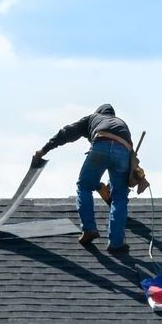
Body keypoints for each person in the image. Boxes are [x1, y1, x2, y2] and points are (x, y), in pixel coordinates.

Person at [33, 104, 133, 253]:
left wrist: (43, 150)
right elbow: (126, 156)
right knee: (119, 198)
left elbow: (66, 133)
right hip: (124, 150)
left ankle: (89, 229)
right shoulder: (121, 124)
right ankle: (116, 243)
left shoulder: (93, 118)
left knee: (85, 186)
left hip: (101, 144)